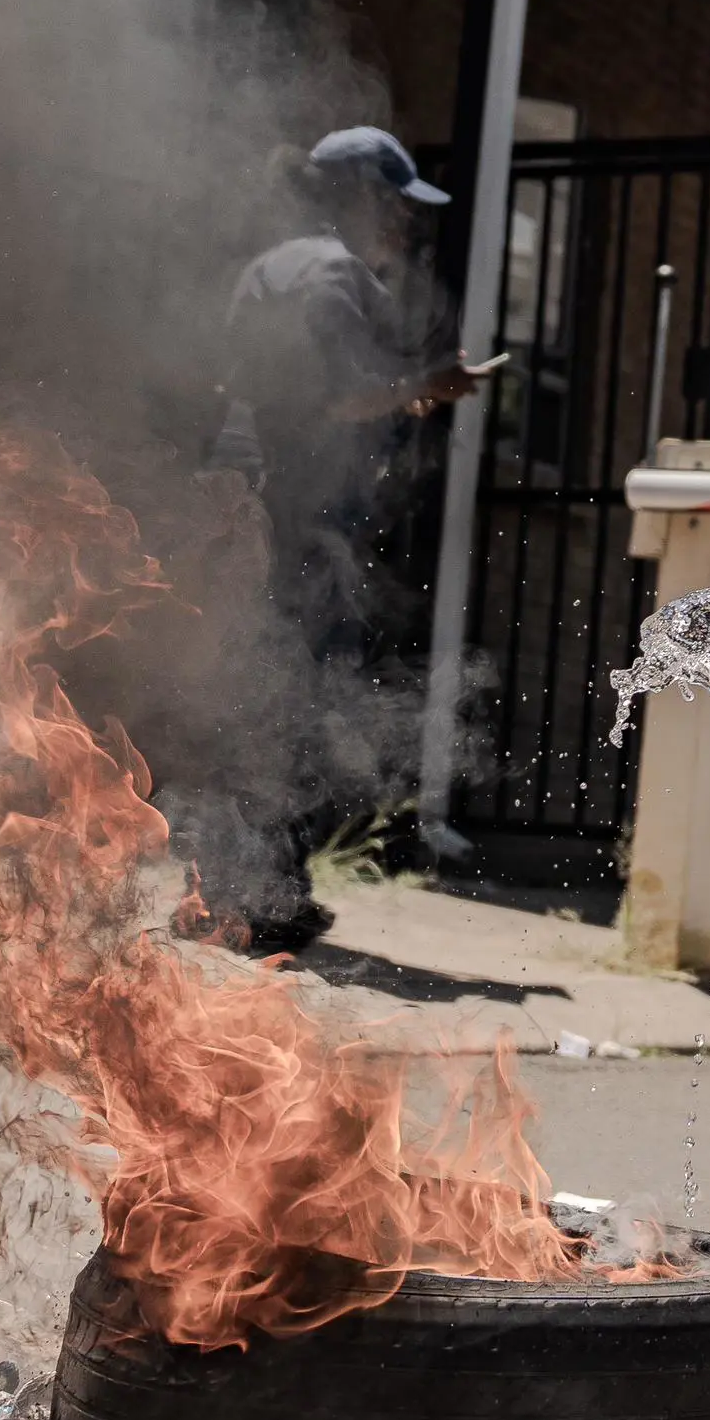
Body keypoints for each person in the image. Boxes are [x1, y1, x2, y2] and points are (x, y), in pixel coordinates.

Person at [198, 126, 483, 949]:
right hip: (293, 515)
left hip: (240, 503)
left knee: (254, 692)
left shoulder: (270, 265)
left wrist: (404, 389)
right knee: (294, 697)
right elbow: (332, 397)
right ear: (361, 196)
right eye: (396, 202)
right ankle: (268, 903)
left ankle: (243, 889)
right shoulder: (330, 270)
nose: (404, 222)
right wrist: (428, 384)